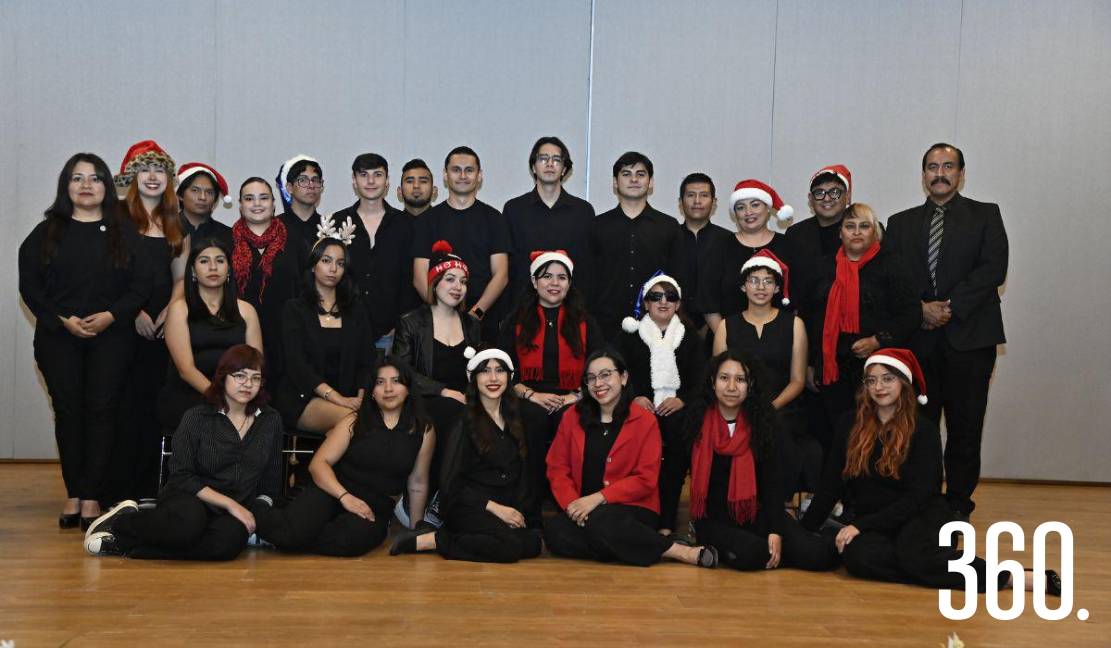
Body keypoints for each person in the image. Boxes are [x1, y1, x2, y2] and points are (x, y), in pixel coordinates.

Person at [800, 349, 1059, 596]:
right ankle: (936, 563)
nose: (879, 387)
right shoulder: (849, 424)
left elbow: (921, 496)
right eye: (872, 380)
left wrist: (860, 525)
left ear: (903, 382)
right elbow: (830, 484)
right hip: (877, 520)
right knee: (859, 559)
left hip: (920, 515)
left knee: (913, 554)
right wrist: (802, 532)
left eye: (888, 379)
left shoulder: (922, 430)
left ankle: (1010, 576)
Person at [19, 152, 151, 529]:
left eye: (95, 178)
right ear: (66, 186)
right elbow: (30, 287)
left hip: (112, 338)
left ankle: (93, 495)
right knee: (68, 412)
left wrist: (111, 315)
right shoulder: (46, 233)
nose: (86, 185)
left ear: (107, 186)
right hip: (58, 338)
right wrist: (62, 320)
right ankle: (73, 492)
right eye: (78, 178)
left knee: (102, 411)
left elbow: (141, 285)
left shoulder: (125, 233)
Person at [884, 143, 1009, 521]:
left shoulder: (986, 215)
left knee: (965, 426)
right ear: (923, 175)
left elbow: (993, 269)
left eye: (948, 166)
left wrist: (948, 308)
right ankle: (921, 500)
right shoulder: (900, 223)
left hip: (970, 339)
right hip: (918, 342)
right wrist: (919, 309)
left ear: (961, 173)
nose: (939, 173)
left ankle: (957, 504)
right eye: (932, 167)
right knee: (919, 428)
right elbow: (893, 278)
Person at [83, 344, 282, 561]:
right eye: (240, 376)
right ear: (223, 377)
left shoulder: (270, 420)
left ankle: (128, 546)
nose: (248, 384)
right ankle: (121, 522)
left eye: (255, 378)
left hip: (233, 507)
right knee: (189, 526)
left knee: (227, 545)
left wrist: (256, 510)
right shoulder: (197, 417)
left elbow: (270, 480)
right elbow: (182, 475)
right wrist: (230, 504)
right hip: (190, 497)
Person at [543, 350, 718, 568]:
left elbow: (646, 479)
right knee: (554, 533)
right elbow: (556, 467)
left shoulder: (645, 420)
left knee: (602, 521)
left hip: (633, 508)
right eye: (591, 377)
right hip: (583, 510)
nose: (599, 383)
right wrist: (572, 505)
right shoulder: (573, 416)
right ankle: (639, 546)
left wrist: (597, 498)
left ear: (623, 377)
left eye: (606, 374)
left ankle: (678, 552)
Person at [256, 359, 435, 556]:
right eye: (380, 382)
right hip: (332, 491)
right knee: (293, 533)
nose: (388, 389)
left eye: (396, 381)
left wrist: (414, 531)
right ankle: (256, 519)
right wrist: (345, 497)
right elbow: (318, 464)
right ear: (372, 392)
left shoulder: (423, 429)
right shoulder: (354, 420)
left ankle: (286, 536)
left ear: (408, 388)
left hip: (375, 506)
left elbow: (417, 483)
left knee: (347, 541)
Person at [687, 350, 838, 572]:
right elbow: (672, 475)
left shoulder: (763, 424)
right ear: (712, 382)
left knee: (817, 557)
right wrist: (664, 528)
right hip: (713, 520)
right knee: (752, 555)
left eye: (740, 380)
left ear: (751, 385)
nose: (731, 387)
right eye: (724, 378)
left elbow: (772, 483)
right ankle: (772, 553)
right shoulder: (695, 420)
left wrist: (776, 530)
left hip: (754, 513)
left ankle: (837, 535)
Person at [389, 348, 542, 563]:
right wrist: (496, 509)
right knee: (508, 547)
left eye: (499, 370)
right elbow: (453, 485)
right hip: (470, 505)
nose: (493, 378)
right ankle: (432, 540)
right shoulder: (464, 422)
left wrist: (513, 510)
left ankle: (470, 538)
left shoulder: (517, 419)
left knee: (533, 544)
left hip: (503, 504)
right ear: (474, 378)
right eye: (485, 371)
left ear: (509, 376)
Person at [111, 140, 191, 500]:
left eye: (159, 170)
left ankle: (149, 488)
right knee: (121, 407)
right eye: (145, 169)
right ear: (132, 176)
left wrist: (170, 310)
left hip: (162, 329)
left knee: (154, 407)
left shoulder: (177, 223)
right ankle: (117, 489)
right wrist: (134, 313)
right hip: (122, 326)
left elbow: (180, 278)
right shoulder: (114, 219)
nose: (153, 177)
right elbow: (106, 277)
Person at [498, 250, 602, 515]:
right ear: (534, 282)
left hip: (574, 396)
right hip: (528, 395)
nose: (555, 283)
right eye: (547, 277)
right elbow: (502, 368)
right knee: (532, 419)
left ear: (569, 283)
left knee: (569, 418)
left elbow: (601, 366)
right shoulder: (516, 320)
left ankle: (569, 503)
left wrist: (575, 396)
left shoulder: (585, 321)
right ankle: (528, 505)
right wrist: (530, 395)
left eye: (562, 277)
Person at [808, 203, 920, 444]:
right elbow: (811, 318)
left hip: (879, 367)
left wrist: (877, 340)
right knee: (836, 436)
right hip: (833, 368)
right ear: (840, 233)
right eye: (850, 226)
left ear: (875, 232)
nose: (856, 232)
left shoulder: (893, 265)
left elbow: (911, 314)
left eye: (864, 226)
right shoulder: (823, 267)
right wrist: (811, 363)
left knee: (876, 434)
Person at [713, 250, 818, 495]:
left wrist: (770, 407)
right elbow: (719, 379)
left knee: (776, 428)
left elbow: (798, 380)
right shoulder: (726, 326)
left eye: (768, 281)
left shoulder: (795, 324)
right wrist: (738, 407)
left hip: (782, 407)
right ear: (743, 287)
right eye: (754, 280)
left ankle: (776, 505)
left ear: (778, 288)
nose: (761, 287)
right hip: (735, 406)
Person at [618, 274, 705, 536]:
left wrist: (682, 400)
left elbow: (702, 382)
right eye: (655, 297)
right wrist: (633, 397)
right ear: (645, 304)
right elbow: (618, 374)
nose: (663, 301)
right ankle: (638, 516)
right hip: (639, 407)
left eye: (670, 296)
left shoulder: (691, 338)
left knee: (678, 441)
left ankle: (667, 520)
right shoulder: (629, 337)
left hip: (678, 410)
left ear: (678, 304)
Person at [392, 241, 482, 488]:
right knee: (454, 413)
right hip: (426, 399)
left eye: (463, 282)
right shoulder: (411, 322)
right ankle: (442, 494)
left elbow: (482, 370)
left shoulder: (472, 325)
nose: (458, 287)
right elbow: (402, 371)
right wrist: (444, 391)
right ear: (435, 282)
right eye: (450, 279)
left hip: (466, 399)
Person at [274, 236, 376, 435]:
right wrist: (337, 398)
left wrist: (360, 398)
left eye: (340, 263)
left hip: (349, 398)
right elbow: (297, 365)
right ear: (313, 266)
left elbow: (367, 361)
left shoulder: (356, 310)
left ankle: (322, 465)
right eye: (326, 261)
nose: (333, 269)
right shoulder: (295, 309)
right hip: (303, 398)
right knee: (352, 420)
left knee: (356, 423)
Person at [158, 240, 263, 430]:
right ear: (192, 271)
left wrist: (237, 398)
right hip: (190, 394)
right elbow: (186, 370)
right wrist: (222, 400)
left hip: (239, 394)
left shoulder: (247, 311)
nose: (213, 267)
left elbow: (255, 364)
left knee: (266, 419)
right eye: (204, 261)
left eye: (220, 260)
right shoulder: (179, 310)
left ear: (229, 268)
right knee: (215, 424)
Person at [411, 146, 510, 340]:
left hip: (483, 322)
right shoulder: (427, 220)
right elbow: (419, 276)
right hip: (437, 325)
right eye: (456, 170)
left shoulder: (494, 219)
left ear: (479, 176)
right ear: (445, 175)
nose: (462, 175)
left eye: (469, 170)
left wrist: (476, 313)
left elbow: (501, 275)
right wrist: (441, 313)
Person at [329, 153, 417, 350]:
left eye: (377, 175)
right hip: (343, 329)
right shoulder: (336, 223)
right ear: (354, 180)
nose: (370, 181)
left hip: (392, 335)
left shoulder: (405, 225)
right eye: (363, 175)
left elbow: (410, 279)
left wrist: (402, 325)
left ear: (387, 181)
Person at [588, 152, 678, 340]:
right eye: (626, 174)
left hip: (656, 327)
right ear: (615, 182)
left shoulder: (668, 226)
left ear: (650, 182)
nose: (634, 179)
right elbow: (587, 280)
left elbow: (678, 279)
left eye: (641, 174)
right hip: (605, 327)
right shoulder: (597, 226)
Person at [232, 177, 307, 391]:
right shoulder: (227, 241)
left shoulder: (295, 240)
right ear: (240, 205)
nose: (257, 204)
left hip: (287, 337)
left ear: (274, 203)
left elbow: (307, 287)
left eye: (263, 198)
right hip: (240, 336)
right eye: (249, 198)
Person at [699, 179, 799, 333]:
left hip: (779, 340)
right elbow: (708, 302)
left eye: (755, 204)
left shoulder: (787, 245)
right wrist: (725, 339)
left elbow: (798, 298)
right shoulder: (720, 246)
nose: (748, 212)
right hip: (728, 341)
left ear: (768, 208)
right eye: (740, 207)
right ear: (735, 214)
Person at [503, 136, 595, 297]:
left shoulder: (583, 211)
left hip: (570, 307)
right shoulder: (514, 209)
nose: (550, 164)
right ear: (533, 167)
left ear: (564, 169)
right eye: (543, 159)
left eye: (556, 160)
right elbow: (508, 265)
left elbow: (587, 267)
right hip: (524, 307)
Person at [785, 165, 852, 314]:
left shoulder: (864, 231)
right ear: (810, 199)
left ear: (847, 196)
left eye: (835, 192)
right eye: (819, 193)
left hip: (854, 322)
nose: (827, 198)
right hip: (808, 323)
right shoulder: (795, 234)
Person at [670, 173, 731, 333]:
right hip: (672, 327)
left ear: (714, 202)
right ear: (680, 202)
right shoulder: (668, 238)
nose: (697, 201)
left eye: (704, 195)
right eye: (691, 195)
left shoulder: (728, 240)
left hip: (718, 327)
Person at [176, 162, 233, 250]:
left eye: (209, 192)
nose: (203, 197)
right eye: (195, 190)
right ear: (180, 195)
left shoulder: (229, 236)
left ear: (215, 199)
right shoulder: (162, 230)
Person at [276, 155, 324, 251]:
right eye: (303, 180)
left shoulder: (328, 227)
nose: (311, 186)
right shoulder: (274, 227)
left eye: (315, 180)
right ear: (289, 188)